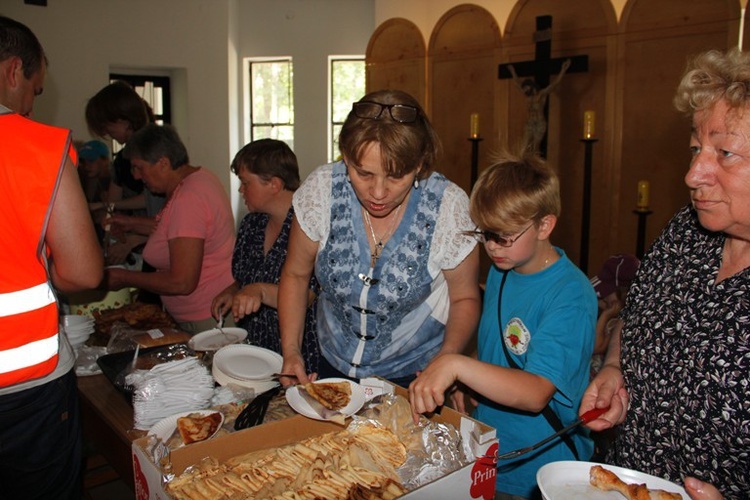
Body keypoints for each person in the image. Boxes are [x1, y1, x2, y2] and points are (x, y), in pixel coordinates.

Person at [581, 48, 750, 500]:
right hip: (622, 485)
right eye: (696, 148)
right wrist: (615, 367)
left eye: (726, 153)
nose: (694, 173)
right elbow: (635, 313)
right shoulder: (687, 231)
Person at [409, 151, 597, 499]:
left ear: (544, 225)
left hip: (539, 467)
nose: (492, 247)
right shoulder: (502, 270)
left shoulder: (571, 295)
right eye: (485, 234)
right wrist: (470, 382)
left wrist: (455, 364)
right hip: (492, 449)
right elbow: (500, 347)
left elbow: (536, 392)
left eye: (503, 236)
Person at [278, 89, 481, 388]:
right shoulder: (322, 190)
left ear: (420, 165)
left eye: (397, 176)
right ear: (346, 157)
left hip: (415, 375)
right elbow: (295, 275)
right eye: (364, 173)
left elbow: (464, 297)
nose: (378, 192)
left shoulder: (448, 208)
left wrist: (447, 360)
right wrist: (291, 351)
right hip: (331, 362)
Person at [0, 15, 104, 498]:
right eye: (35, 90)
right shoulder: (39, 147)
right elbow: (83, 272)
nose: (30, 102)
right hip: (24, 386)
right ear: (14, 71)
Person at [103, 124, 235, 334]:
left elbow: (182, 282)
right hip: (206, 312)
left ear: (163, 163)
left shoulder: (188, 198)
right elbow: (179, 230)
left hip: (205, 317)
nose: (136, 176)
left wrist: (123, 277)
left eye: (139, 167)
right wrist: (132, 225)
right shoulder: (199, 178)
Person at [211, 139, 320, 372]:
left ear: (274, 184)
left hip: (299, 350)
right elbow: (244, 279)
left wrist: (258, 291)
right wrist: (233, 292)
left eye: (245, 182)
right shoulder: (252, 224)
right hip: (257, 347)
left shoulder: (309, 226)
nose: (241, 190)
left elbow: (308, 294)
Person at [85, 80, 165, 265]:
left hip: (156, 245)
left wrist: (133, 239)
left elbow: (164, 214)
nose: (106, 132)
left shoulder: (156, 148)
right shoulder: (122, 158)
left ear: (123, 119)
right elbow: (114, 204)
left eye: (107, 125)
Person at [589, 253, 639, 375]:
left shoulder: (617, 323)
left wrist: (606, 314)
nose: (601, 298)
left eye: (605, 294)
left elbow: (596, 347)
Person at [508, 59, 571, 153]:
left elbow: (555, 84)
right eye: (524, 88)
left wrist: (563, 70)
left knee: (535, 148)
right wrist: (513, 72)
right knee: (524, 147)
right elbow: (517, 83)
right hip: (530, 123)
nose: (524, 90)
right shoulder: (528, 96)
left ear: (531, 86)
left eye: (526, 88)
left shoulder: (541, 94)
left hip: (539, 124)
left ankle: (534, 166)